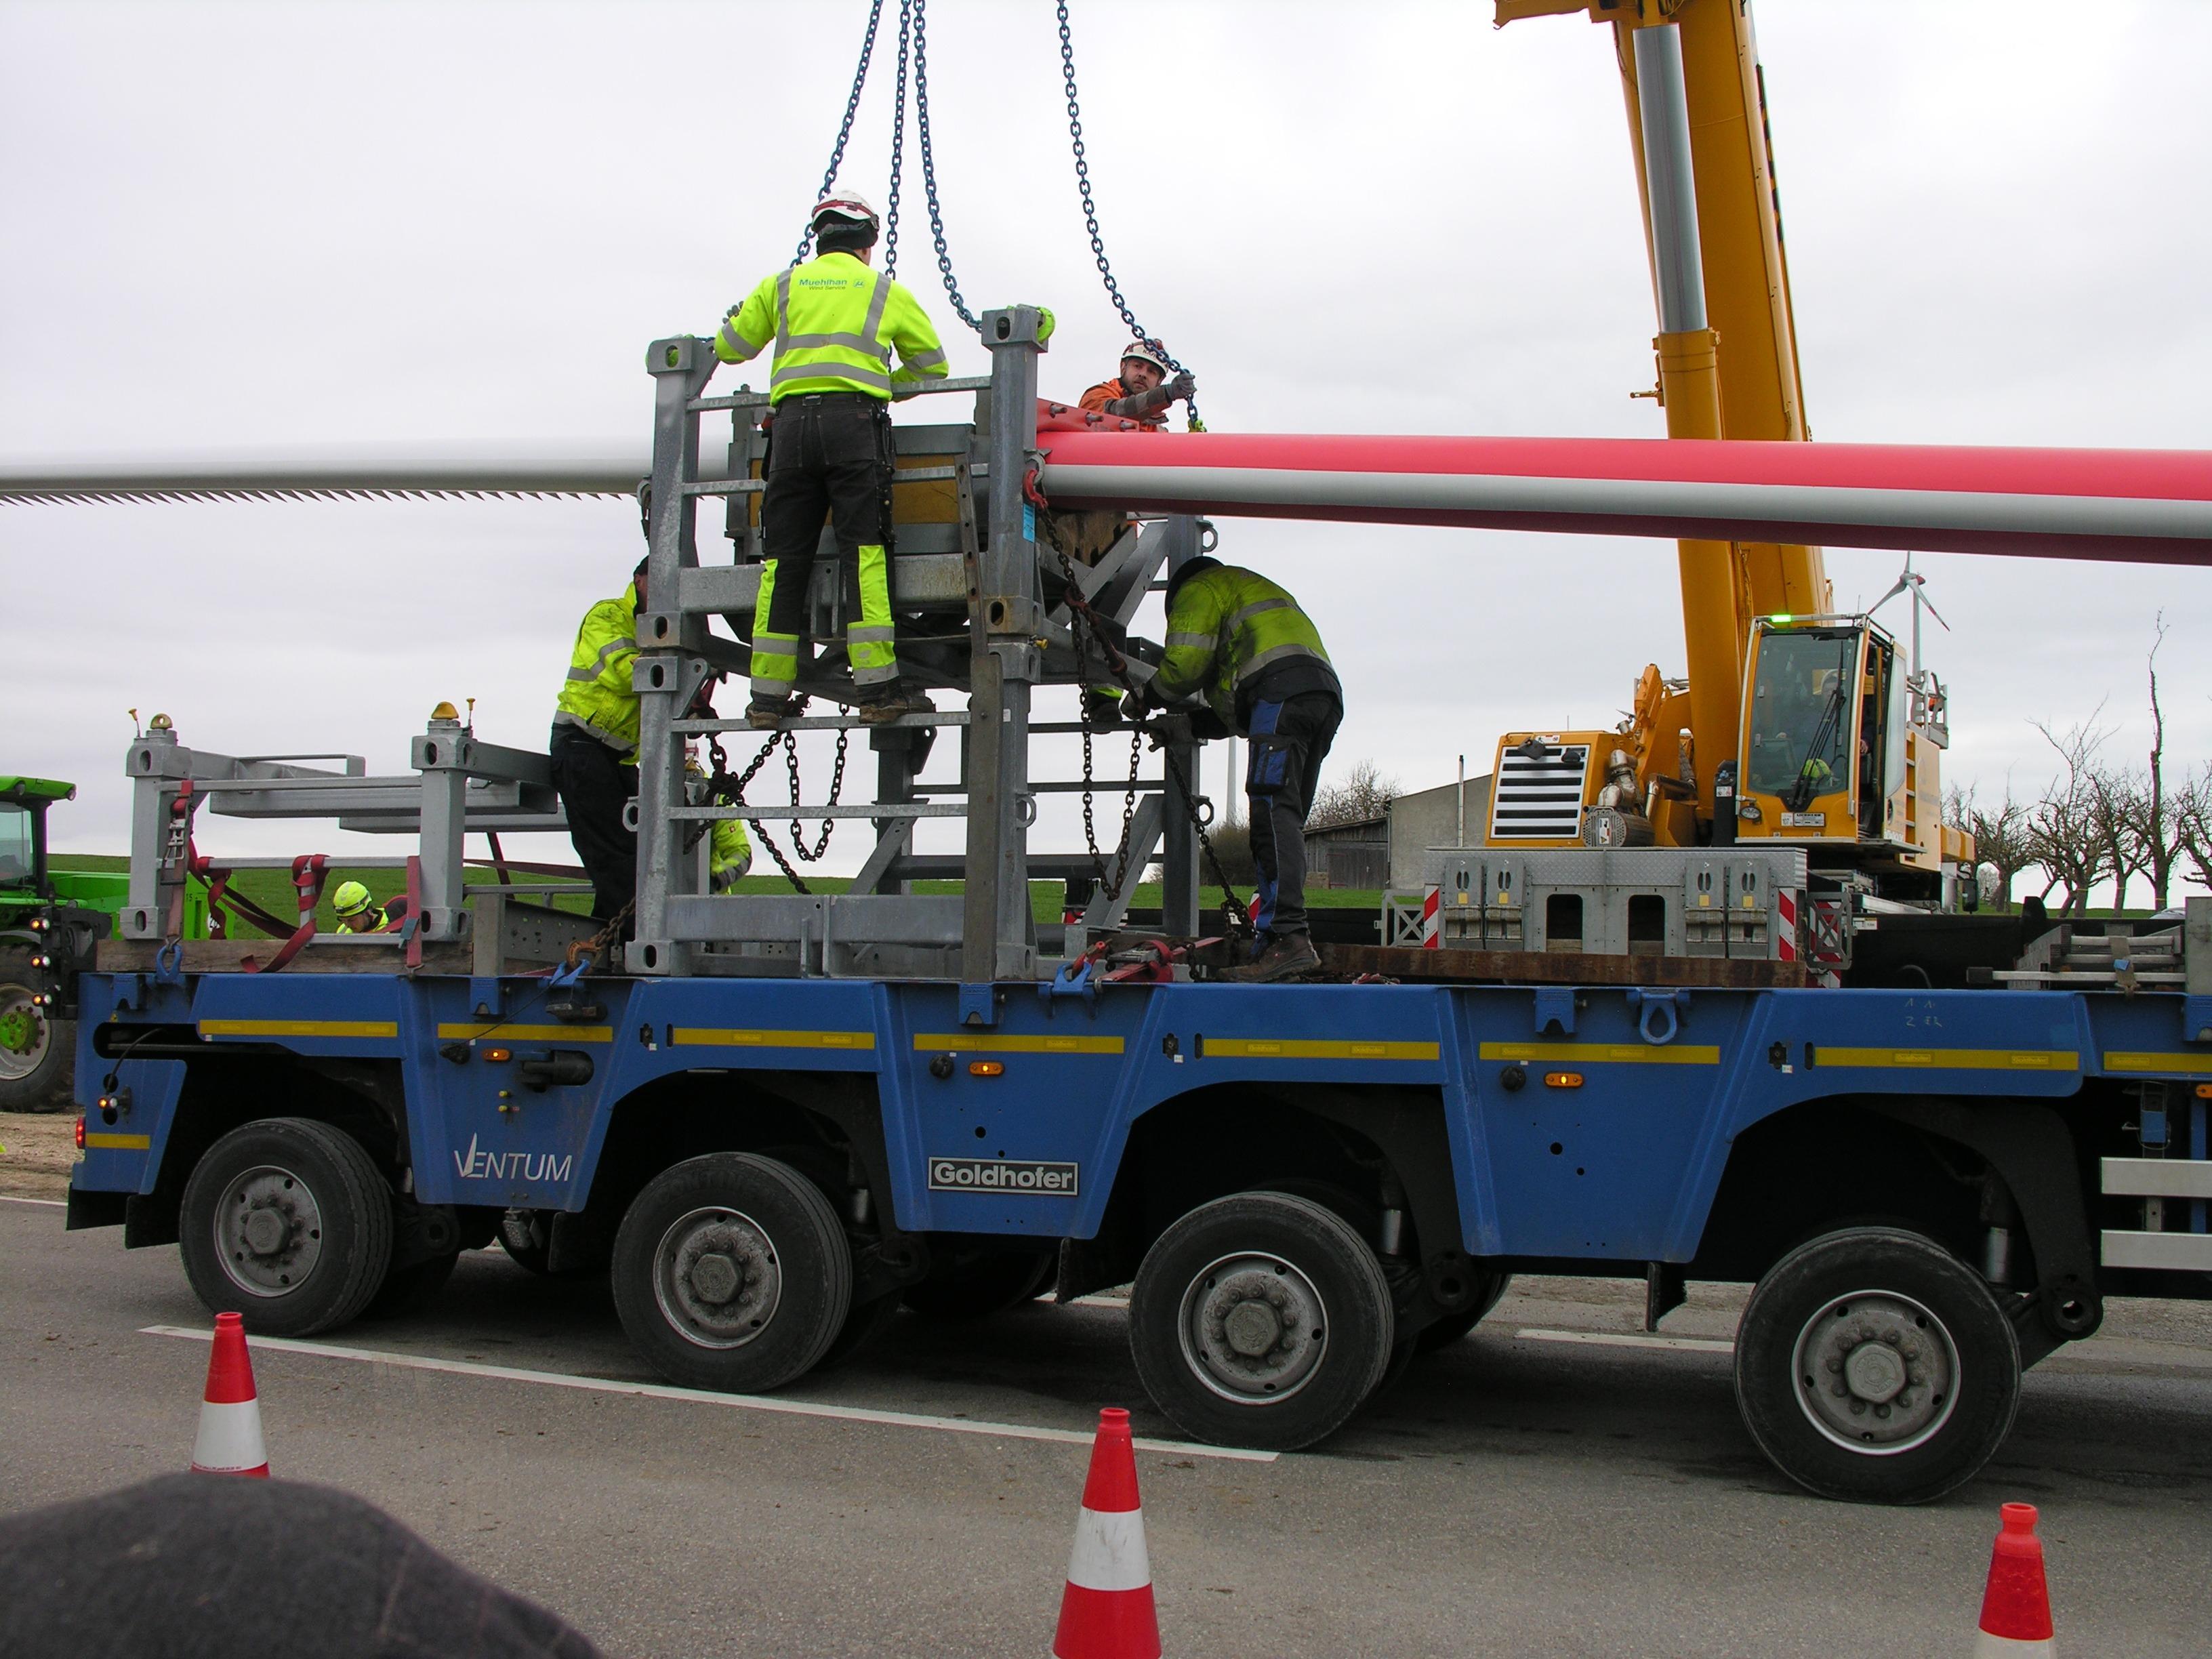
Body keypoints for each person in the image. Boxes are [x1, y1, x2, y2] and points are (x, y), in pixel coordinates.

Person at [713, 189, 949, 729]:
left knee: (783, 559)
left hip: (791, 431)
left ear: (820, 239)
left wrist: (732, 321)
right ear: (867, 245)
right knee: (862, 553)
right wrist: (884, 385)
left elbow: (731, 347)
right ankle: (877, 690)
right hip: (853, 427)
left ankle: (767, 698)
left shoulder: (783, 285)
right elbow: (933, 366)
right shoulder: (882, 290)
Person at [1126, 556, 1340, 983]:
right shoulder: (1247, 598)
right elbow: (1237, 714)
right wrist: (1186, 726)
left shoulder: (1200, 588)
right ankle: (1279, 941)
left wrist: (1145, 697)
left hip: (1281, 694)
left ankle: (1288, 940)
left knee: (1271, 814)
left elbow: (1183, 665)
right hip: (1319, 696)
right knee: (1287, 818)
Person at [550, 557, 647, 924]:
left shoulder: (661, 632)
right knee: (614, 854)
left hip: (616, 757)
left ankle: (613, 937)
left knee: (637, 853)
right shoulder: (608, 616)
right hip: (582, 745)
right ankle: (619, 939)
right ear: (639, 581)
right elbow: (624, 675)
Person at [1079, 342, 1195, 431]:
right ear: (1123, 367)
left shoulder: (1158, 430)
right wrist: (1166, 394)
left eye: (1151, 372)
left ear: (1159, 381)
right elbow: (1115, 413)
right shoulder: (1097, 395)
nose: (1143, 374)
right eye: (1137, 366)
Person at [330, 880, 407, 934]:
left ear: (367, 912)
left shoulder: (392, 925)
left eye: (352, 920)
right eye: (342, 920)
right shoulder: (342, 931)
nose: (347, 925)